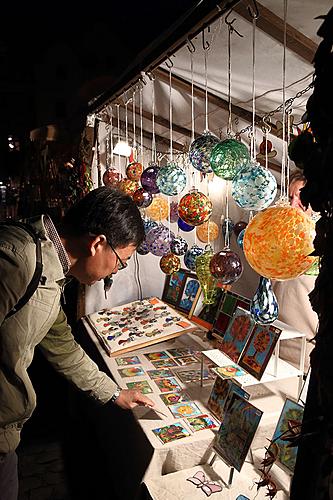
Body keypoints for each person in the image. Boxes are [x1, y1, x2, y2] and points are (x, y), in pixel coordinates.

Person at [0, 186, 155, 500]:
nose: (115, 272)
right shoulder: (19, 261)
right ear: (97, 243)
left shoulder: (52, 270)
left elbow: (62, 345)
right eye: (120, 262)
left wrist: (113, 392)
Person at [272, 169, 319, 371]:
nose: (293, 205)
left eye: (301, 199)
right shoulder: (279, 237)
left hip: (305, 352)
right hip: (273, 342)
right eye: (291, 197)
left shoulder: (323, 242)